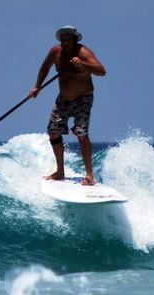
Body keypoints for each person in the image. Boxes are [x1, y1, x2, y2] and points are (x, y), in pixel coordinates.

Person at [29, 25, 106, 186]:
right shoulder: (55, 51)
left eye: (68, 40)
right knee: (53, 131)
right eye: (63, 40)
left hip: (83, 97)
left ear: (75, 40)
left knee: (81, 133)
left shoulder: (84, 52)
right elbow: (45, 67)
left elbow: (101, 71)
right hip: (63, 98)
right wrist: (37, 87)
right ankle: (60, 171)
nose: (65, 43)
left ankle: (90, 175)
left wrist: (83, 65)